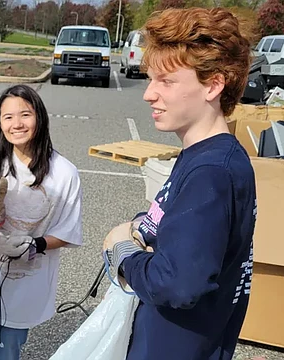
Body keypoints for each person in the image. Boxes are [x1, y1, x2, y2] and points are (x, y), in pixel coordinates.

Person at [107, 7, 257, 360]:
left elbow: (178, 284)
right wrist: (142, 227)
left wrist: (123, 255)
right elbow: (190, 230)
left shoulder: (211, 172)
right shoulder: (203, 156)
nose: (149, 94)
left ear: (214, 85)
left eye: (167, 81)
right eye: (151, 79)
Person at [0, 84, 83, 360]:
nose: (17, 124)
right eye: (7, 117)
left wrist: (35, 244)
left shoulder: (64, 174)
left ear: (40, 118)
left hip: (24, 286)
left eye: (25, 114)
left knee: (7, 356)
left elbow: (67, 231)